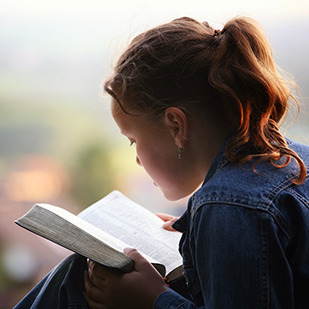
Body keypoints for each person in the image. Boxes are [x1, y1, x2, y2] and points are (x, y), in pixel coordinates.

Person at [15, 16, 309, 309]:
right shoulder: (295, 159)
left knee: (80, 273)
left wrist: (151, 300)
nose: (137, 159)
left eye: (133, 140)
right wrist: (194, 232)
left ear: (176, 126)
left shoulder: (227, 206)